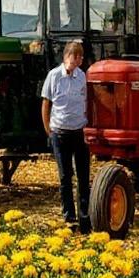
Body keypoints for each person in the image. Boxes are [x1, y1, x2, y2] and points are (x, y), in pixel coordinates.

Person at [41, 40, 91, 232]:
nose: (76, 60)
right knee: (65, 177)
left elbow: (86, 100)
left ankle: (85, 216)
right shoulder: (54, 76)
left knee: (83, 176)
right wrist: (49, 130)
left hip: (78, 131)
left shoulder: (82, 77)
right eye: (74, 56)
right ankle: (69, 217)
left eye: (79, 57)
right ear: (66, 57)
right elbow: (46, 104)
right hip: (60, 132)